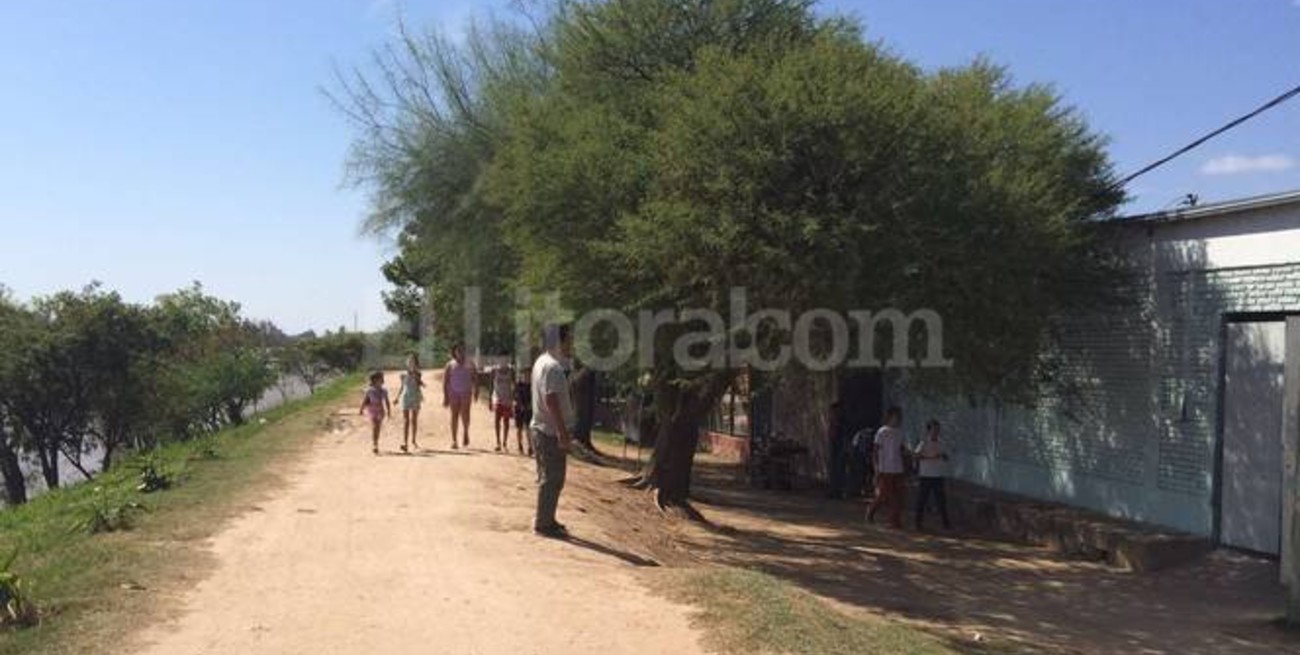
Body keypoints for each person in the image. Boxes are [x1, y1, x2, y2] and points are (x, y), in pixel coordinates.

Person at [530, 324, 575, 538]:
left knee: (549, 476)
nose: (571, 344)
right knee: (553, 477)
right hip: (549, 430)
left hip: (542, 427)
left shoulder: (542, 362)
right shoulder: (553, 367)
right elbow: (551, 399)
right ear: (559, 341)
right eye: (569, 340)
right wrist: (562, 432)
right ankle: (543, 523)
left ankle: (548, 517)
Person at [866, 406, 907, 528]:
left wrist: (912, 455)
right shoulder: (882, 432)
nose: (898, 419)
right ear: (890, 417)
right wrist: (876, 467)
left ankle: (895, 521)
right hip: (885, 468)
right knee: (884, 495)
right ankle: (872, 509)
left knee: (897, 495)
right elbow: (875, 450)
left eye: (899, 417)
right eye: (895, 416)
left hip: (897, 468)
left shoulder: (900, 432)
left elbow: (902, 449)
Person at [914, 419, 952, 530]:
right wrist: (929, 457)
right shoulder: (924, 442)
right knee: (922, 499)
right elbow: (916, 455)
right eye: (933, 429)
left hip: (938, 475)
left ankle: (946, 523)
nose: (936, 432)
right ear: (929, 430)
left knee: (941, 500)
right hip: (926, 475)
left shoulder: (942, 442)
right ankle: (918, 522)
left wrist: (943, 456)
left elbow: (947, 456)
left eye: (937, 429)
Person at [443, 343, 478, 449]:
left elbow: (475, 378)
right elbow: (445, 381)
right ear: (455, 352)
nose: (460, 353)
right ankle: (454, 440)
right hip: (453, 393)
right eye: (458, 351)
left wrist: (476, 391)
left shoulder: (470, 364)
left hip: (466, 392)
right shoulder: (450, 365)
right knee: (454, 416)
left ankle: (466, 432)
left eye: (462, 350)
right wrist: (445, 396)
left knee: (465, 415)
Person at [397, 353, 425, 452]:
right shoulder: (402, 374)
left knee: (414, 420)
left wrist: (415, 375)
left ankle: (413, 440)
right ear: (406, 363)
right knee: (406, 420)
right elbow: (402, 386)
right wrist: (397, 397)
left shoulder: (418, 373)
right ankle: (405, 442)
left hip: (415, 397)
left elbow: (419, 383)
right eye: (409, 361)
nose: (411, 362)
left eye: (413, 361)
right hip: (406, 397)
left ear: (416, 363)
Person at [358, 372, 391, 455]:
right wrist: (361, 409)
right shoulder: (369, 390)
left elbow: (387, 402)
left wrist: (389, 411)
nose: (380, 381)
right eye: (378, 379)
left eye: (381, 379)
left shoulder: (384, 391)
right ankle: (374, 444)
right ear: (374, 380)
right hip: (372, 410)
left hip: (380, 410)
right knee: (374, 426)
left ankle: (376, 441)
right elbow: (365, 400)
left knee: (378, 427)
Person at [491, 361, 515, 452]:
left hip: (507, 399)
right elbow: (491, 384)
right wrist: (490, 399)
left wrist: (513, 397)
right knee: (497, 420)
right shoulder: (494, 370)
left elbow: (514, 384)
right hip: (497, 398)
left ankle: (505, 441)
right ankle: (498, 442)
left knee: (506, 421)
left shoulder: (511, 371)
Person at [826, 401, 847, 499]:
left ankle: (838, 490)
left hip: (839, 446)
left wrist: (844, 447)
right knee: (833, 468)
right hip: (833, 445)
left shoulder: (841, 423)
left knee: (839, 468)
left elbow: (843, 437)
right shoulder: (832, 423)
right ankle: (833, 490)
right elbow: (830, 435)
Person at [513, 368, 533, 456]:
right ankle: (520, 445)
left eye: (528, 375)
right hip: (519, 409)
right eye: (525, 375)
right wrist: (519, 405)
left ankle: (530, 447)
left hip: (528, 409)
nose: (526, 377)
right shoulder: (518, 385)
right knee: (519, 428)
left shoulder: (532, 386)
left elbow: (534, 398)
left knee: (529, 429)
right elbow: (515, 397)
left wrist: (530, 405)